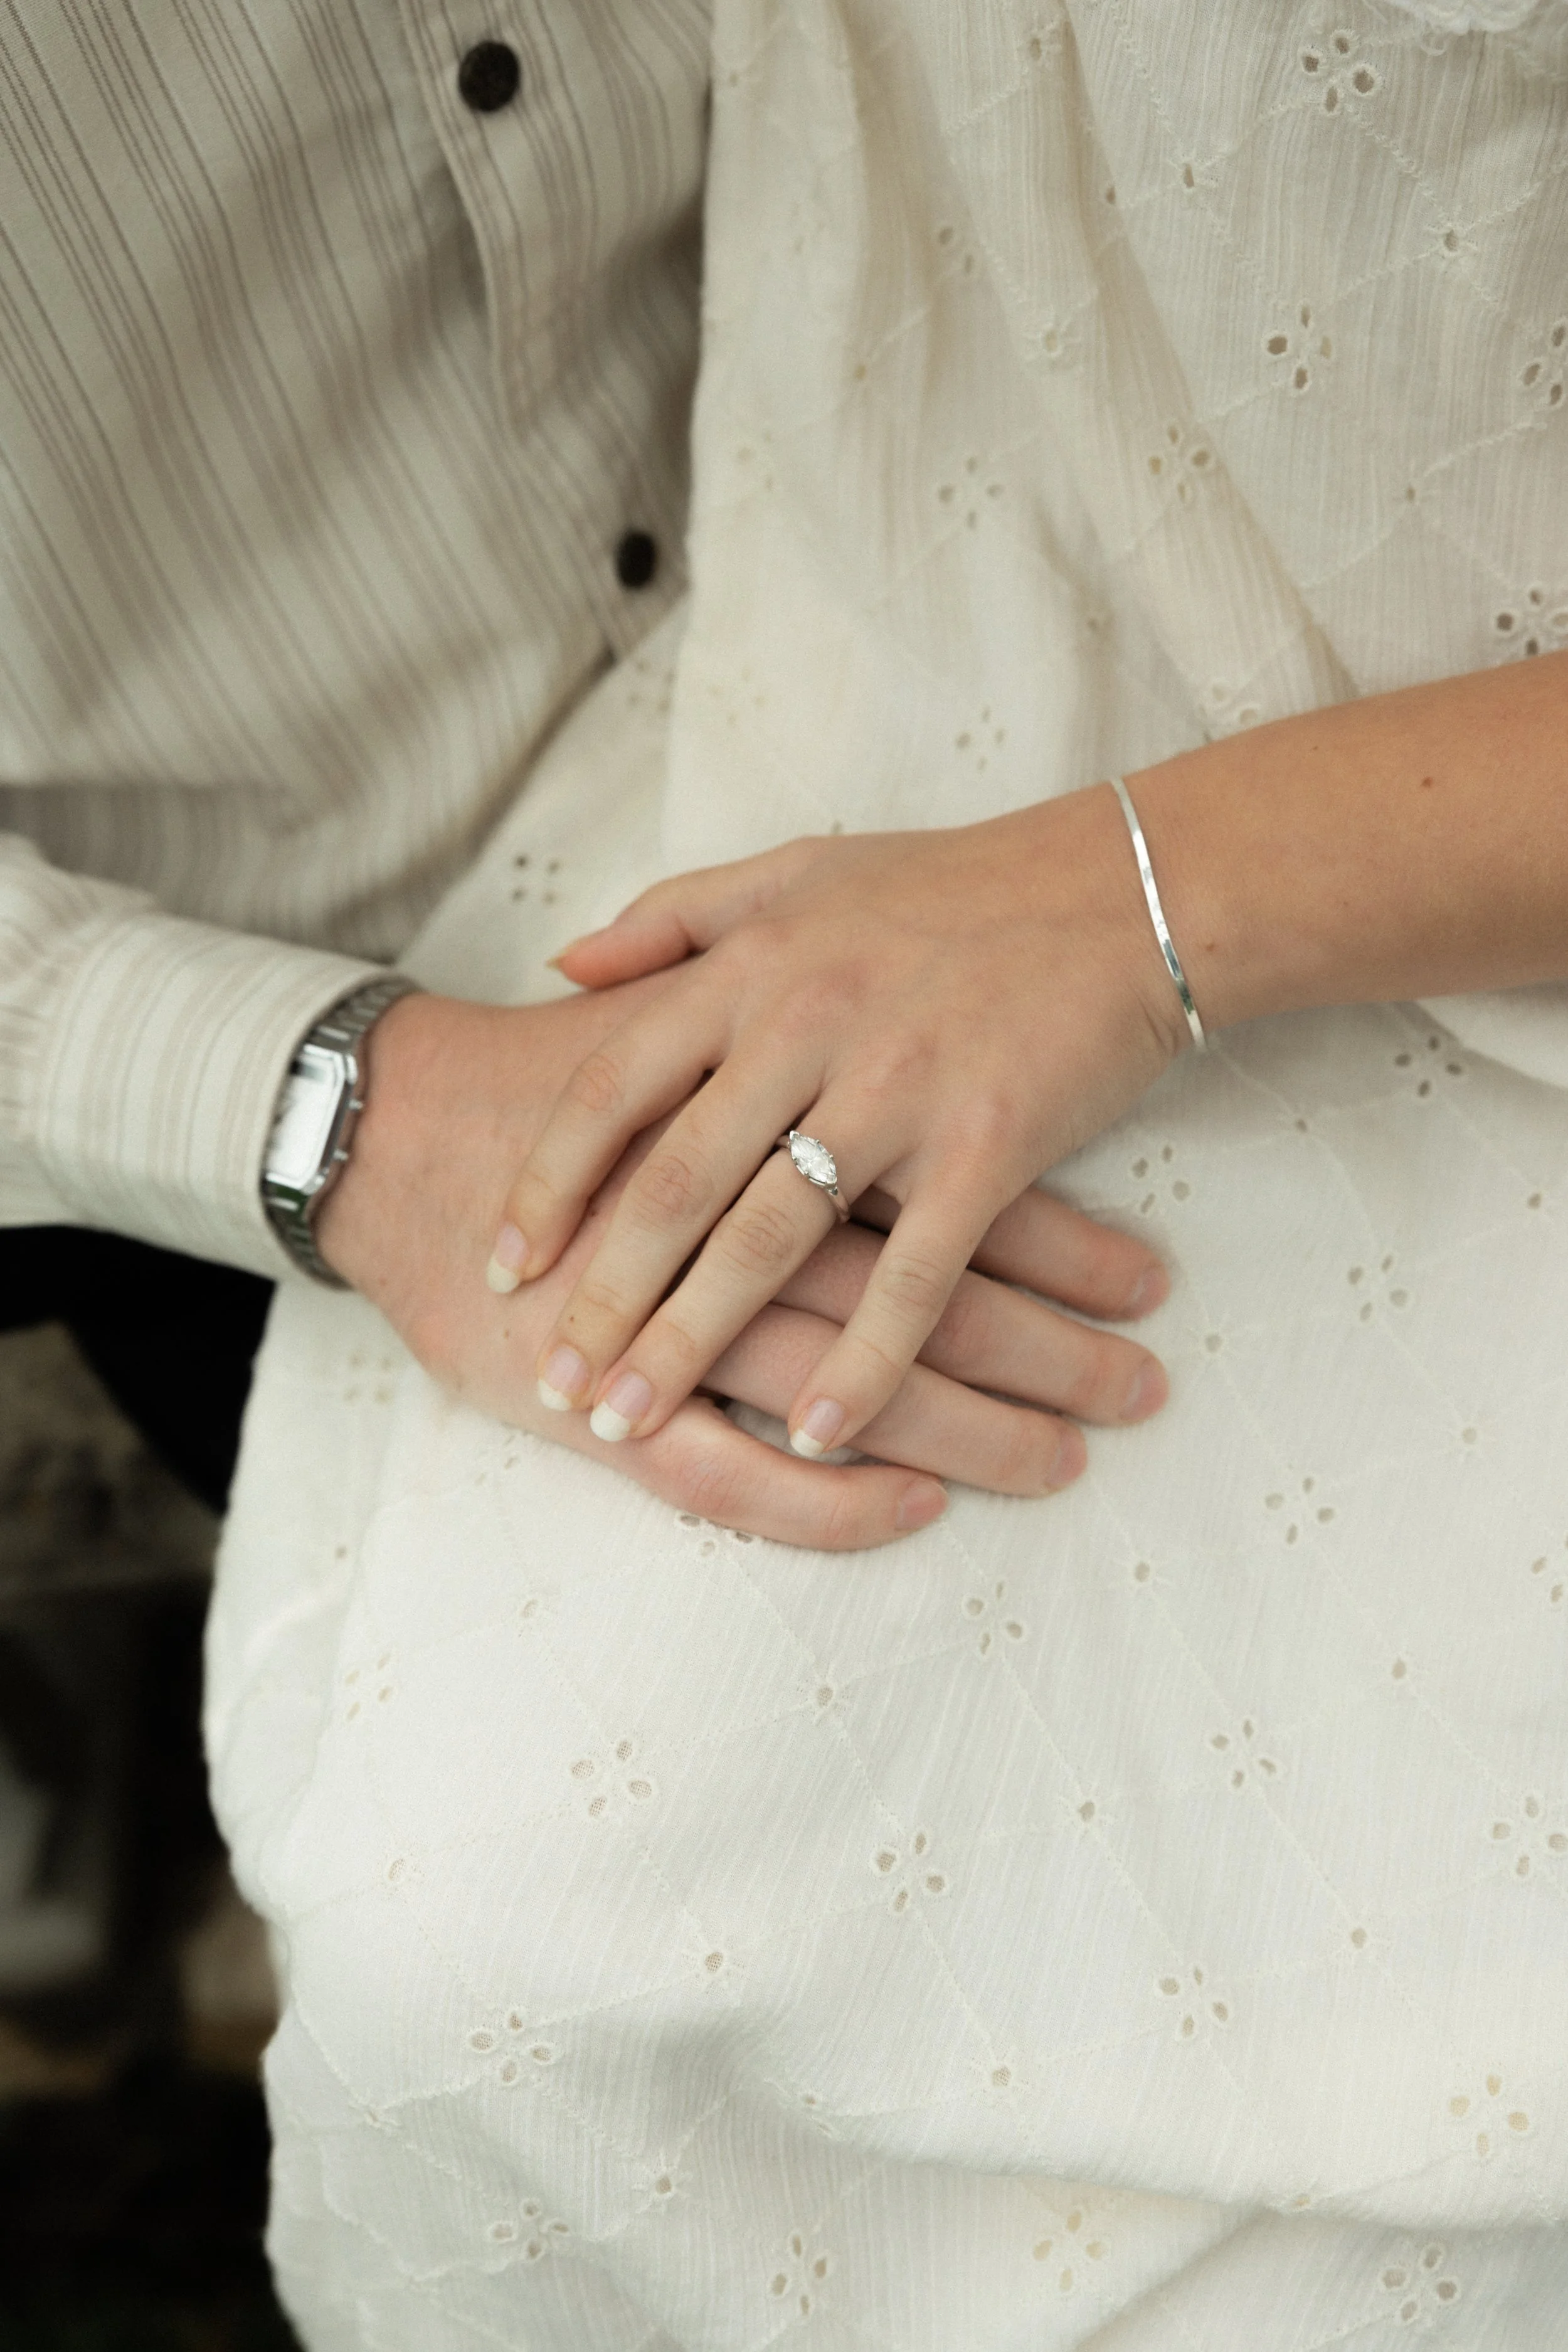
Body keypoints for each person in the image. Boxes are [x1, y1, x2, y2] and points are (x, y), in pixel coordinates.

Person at [204, 2, 1568, 2344]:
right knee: (501, 1965)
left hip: (1337, 898)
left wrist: (1123, 908)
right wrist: (354, 1111)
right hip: (857, 774)